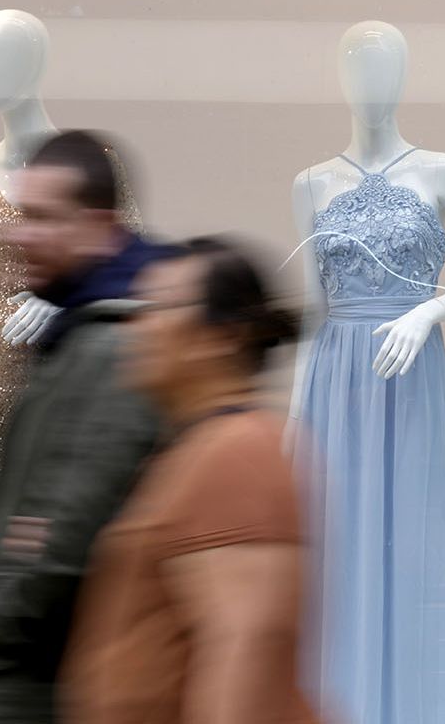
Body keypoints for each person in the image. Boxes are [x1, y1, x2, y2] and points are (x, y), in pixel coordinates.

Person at [0, 129, 173, 724]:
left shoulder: (112, 344)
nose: (22, 236)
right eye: (21, 215)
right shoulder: (75, 329)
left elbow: (61, 533)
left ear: (99, 224)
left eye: (44, 219)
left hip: (37, 685)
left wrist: (1, 612)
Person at [58, 237, 315, 724]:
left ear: (223, 336)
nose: (138, 325)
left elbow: (248, 646)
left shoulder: (239, 452)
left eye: (159, 307)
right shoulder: (194, 448)